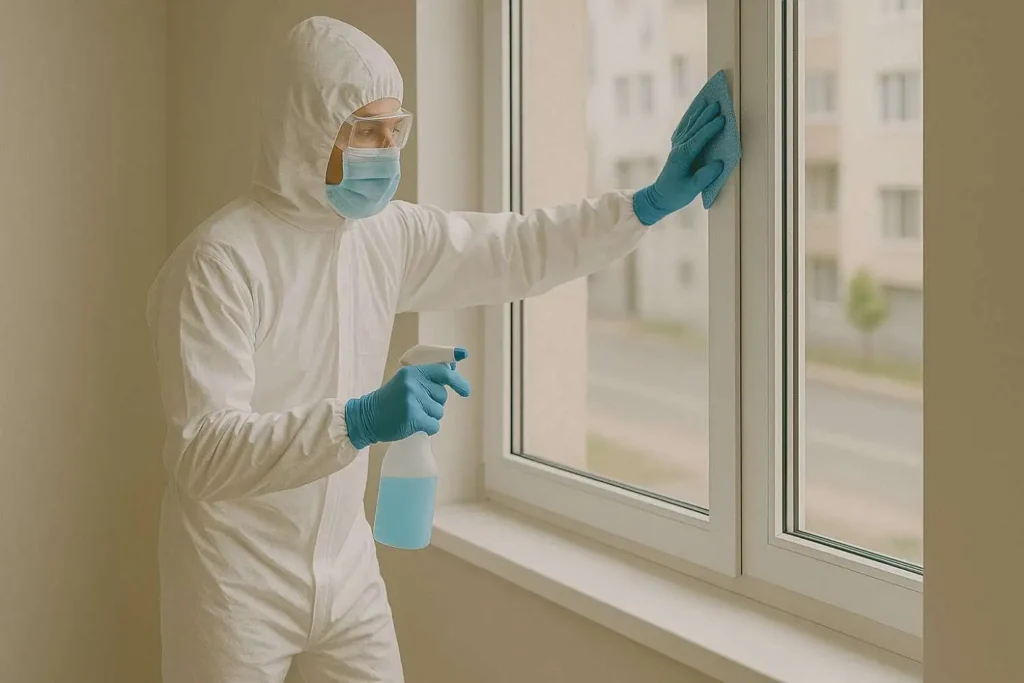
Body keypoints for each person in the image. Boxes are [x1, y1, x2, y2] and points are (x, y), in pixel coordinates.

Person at [146, 15, 726, 683]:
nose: (387, 152)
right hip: (232, 583)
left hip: (347, 570)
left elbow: (515, 248)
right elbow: (203, 452)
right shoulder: (220, 262)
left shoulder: (384, 235)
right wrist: (358, 420)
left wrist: (645, 205)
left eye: (395, 130)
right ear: (309, 131)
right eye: (367, 130)